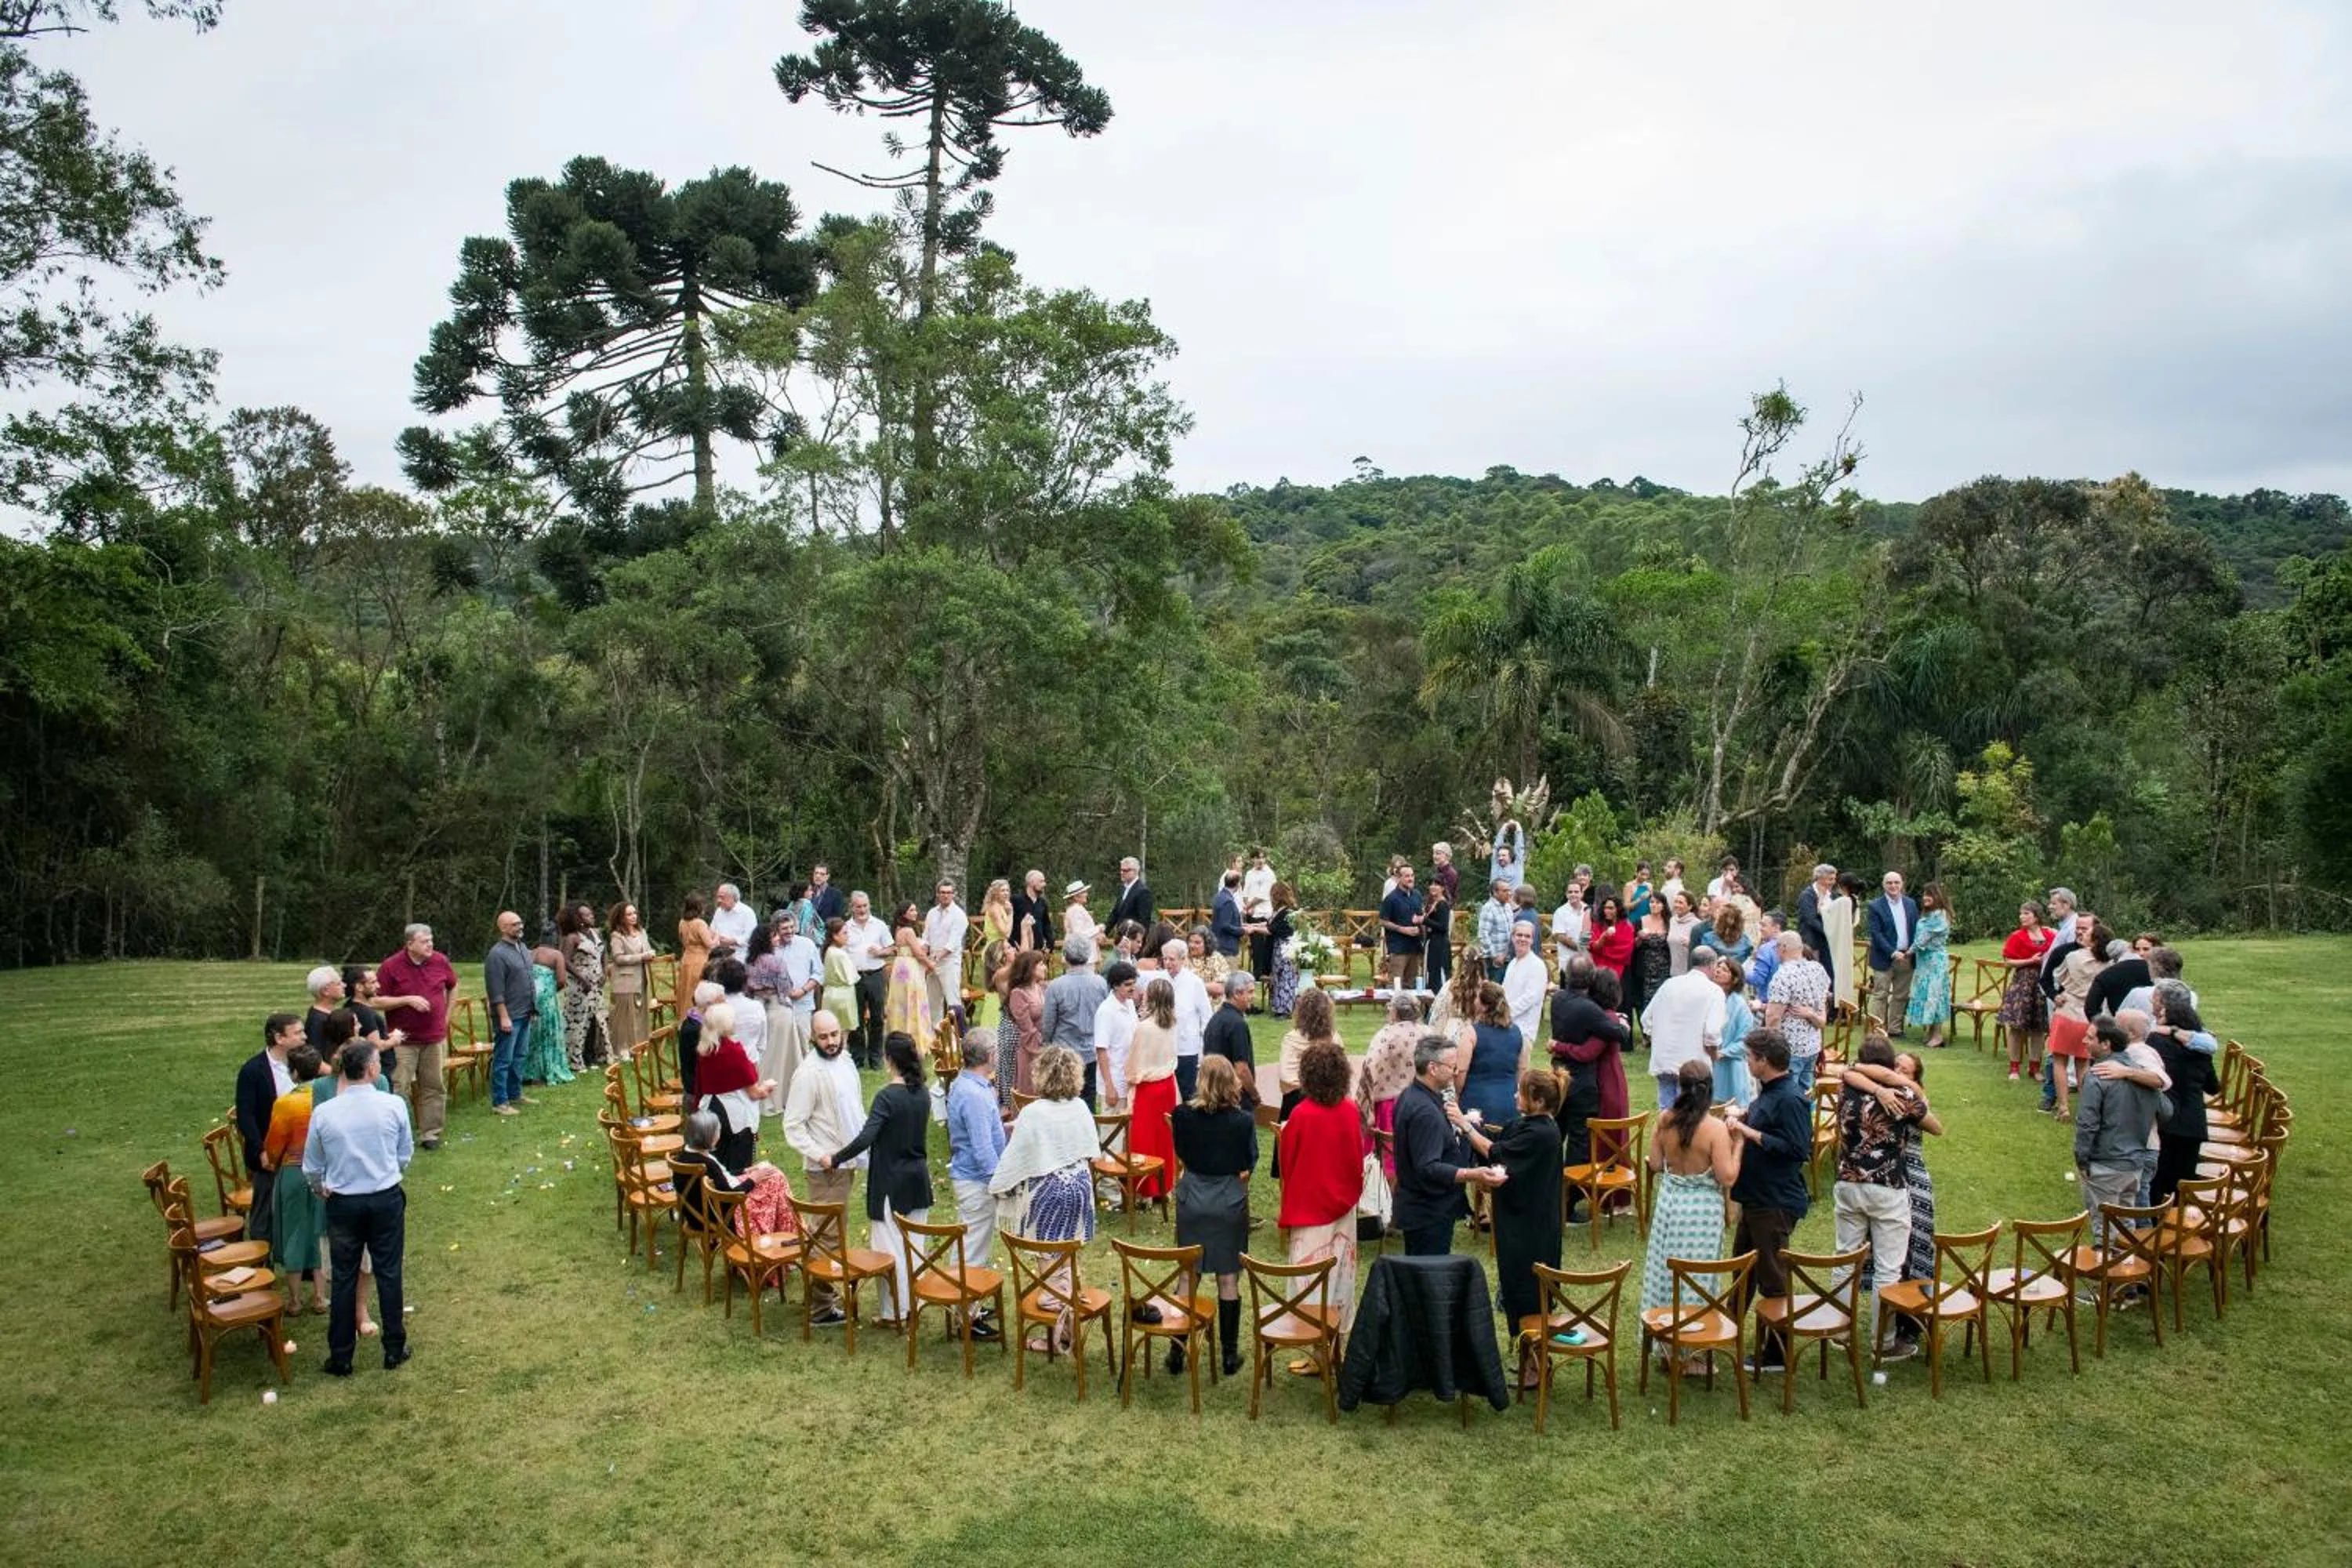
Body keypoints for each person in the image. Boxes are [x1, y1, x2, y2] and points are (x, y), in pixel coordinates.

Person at [302, 1040, 412, 1376]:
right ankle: (394, 1348)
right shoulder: (392, 1105)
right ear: (371, 1068)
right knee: (389, 1272)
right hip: (384, 1197)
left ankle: (341, 1356)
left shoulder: (325, 1112)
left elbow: (312, 1164)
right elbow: (404, 1152)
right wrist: (388, 1171)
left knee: (344, 1276)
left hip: (344, 1202)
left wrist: (320, 1188)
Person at [989, 1045, 1100, 1352]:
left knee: (1048, 1263)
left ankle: (1059, 1331)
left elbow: (1016, 1158)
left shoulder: (1034, 1113)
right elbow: (1091, 1150)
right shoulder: (1080, 1107)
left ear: (1041, 1075)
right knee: (1067, 1256)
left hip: (1048, 1193)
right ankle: (1065, 1330)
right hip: (1079, 1188)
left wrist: (998, 1185)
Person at [818, 1033, 932, 1327]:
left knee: (889, 1249)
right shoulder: (922, 1093)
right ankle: (913, 1304)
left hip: (891, 1181)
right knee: (915, 1245)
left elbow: (866, 1137)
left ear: (890, 1060)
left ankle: (895, 1312)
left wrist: (835, 1158)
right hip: (918, 1178)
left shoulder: (887, 1097)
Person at [1843, 1043, 1945, 1356]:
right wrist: (1881, 1085)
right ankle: (1886, 1332)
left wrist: (1898, 1086)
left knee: (1914, 1248)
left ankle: (1908, 1320)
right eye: (1895, 1066)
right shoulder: (1871, 1086)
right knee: (1886, 1258)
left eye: (1906, 1070)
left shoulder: (1908, 1095)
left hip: (1907, 1177)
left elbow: (1937, 1128)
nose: (1898, 1072)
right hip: (1888, 1182)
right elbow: (1851, 1071)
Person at [1160, 1054, 1256, 1377]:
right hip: (1228, 1200)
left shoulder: (1182, 1116)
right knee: (1228, 1277)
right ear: (1231, 1082)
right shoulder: (1242, 1122)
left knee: (1188, 1275)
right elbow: (1248, 1161)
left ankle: (1177, 1352)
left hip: (1193, 1198)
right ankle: (1229, 1355)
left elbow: (1182, 1152)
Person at [1639, 1060, 1743, 1357]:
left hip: (1671, 1204)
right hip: (1701, 1212)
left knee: (1665, 1272)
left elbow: (1655, 1164)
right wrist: (1738, 1146)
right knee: (1698, 1277)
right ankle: (1693, 1350)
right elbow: (1727, 1177)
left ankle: (1665, 1342)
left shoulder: (1665, 1120)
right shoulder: (1715, 1129)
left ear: (1680, 1087)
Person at [1725, 1029, 1809, 1373]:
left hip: (1774, 1202)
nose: (1746, 1061)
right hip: (1755, 1198)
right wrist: (1746, 1116)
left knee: (1772, 1277)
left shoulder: (1790, 1098)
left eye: (1750, 1056)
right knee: (1742, 1270)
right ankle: (1726, 1333)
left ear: (1764, 1060)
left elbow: (1797, 1148)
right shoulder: (1769, 1092)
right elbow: (1770, 1124)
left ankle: (1777, 1353)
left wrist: (1748, 1132)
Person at [1278, 1040, 1367, 1366]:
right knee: (1340, 1276)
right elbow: (1357, 1156)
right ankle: (1332, 1349)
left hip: (1309, 1208)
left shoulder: (1301, 1115)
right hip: (1342, 1206)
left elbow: (1288, 1161)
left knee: (1310, 1280)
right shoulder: (1350, 1110)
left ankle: (1319, 1352)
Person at [1391, 1033, 1506, 1255]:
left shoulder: (1411, 1095)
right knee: (1429, 1270)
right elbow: (1428, 1167)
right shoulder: (1425, 1111)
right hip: (1428, 1211)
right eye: (1452, 1067)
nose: (1456, 1073)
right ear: (1433, 1068)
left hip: (1420, 1206)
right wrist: (1473, 1174)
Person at [782, 1010, 863, 1327]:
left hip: (847, 1161)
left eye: (834, 1035)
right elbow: (793, 1126)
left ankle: (822, 1298)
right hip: (827, 1169)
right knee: (826, 1235)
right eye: (823, 1037)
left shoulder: (845, 1061)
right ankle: (820, 1309)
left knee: (834, 1231)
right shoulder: (807, 1074)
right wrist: (821, 1156)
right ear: (812, 1038)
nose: (830, 1042)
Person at [1484, 1067, 1566, 1359]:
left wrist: (1465, 1128)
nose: (1515, 1096)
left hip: (1532, 1227)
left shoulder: (1542, 1134)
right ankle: (1527, 1353)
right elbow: (1505, 1136)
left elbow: (1497, 1152)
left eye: (1521, 1092)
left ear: (1539, 1101)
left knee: (1528, 1290)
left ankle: (1535, 1360)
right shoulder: (1530, 1125)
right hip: (1522, 1220)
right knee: (1516, 1282)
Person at [2075, 1018, 2166, 1246]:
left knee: (2104, 1233)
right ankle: (2129, 1268)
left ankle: (2109, 1268)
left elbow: (2087, 1124)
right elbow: (2166, 1111)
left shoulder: (2098, 1075)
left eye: (2090, 1037)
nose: (2084, 1041)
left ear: (2106, 1044)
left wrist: (2082, 1160)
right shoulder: (2141, 1074)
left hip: (2105, 1165)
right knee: (2127, 1227)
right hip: (2135, 1165)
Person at [1548, 954, 1630, 1188]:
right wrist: (1623, 1024)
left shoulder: (1558, 999)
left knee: (1556, 1133)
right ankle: (1571, 1196)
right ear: (1591, 978)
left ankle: (1552, 1186)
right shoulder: (1590, 1010)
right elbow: (1619, 1034)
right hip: (1581, 1083)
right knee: (1579, 1142)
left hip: (1558, 1075)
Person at [260, 1043, 331, 1316]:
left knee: (294, 1231)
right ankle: (320, 1296)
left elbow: (273, 1146)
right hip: (324, 1171)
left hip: (293, 1171)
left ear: (294, 1073)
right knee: (320, 1231)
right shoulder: (328, 1097)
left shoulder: (286, 1104)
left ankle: (294, 1299)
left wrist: (273, 1161)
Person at [373, 923, 456, 1151]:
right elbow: (375, 1000)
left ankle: (430, 1134)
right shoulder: (391, 966)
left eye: (431, 940)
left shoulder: (440, 961)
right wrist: (407, 1000)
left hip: (434, 1037)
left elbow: (453, 986)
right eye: (424, 941)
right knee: (399, 1087)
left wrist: (447, 1016)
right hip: (403, 1040)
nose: (430, 945)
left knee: (434, 1086)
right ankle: (397, 1134)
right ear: (410, 944)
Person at [670, 1109, 801, 1241]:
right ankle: (788, 1233)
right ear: (708, 1136)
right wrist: (753, 1180)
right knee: (776, 1180)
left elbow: (720, 1177)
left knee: (772, 1175)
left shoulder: (686, 1155)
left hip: (699, 1213)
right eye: (717, 1132)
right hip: (722, 1216)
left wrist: (746, 1170)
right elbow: (730, 1196)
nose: (719, 1135)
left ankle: (787, 1231)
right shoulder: (705, 1165)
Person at [2146, 981, 2220, 1204]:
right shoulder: (2201, 1050)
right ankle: (2178, 1222)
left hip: (2165, 1121)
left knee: (2156, 1183)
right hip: (2193, 1123)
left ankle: (2154, 1223)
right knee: (2182, 1185)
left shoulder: (2156, 1041)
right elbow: (2213, 1087)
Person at [946, 1031, 1008, 1290]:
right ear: (990, 1055)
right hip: (977, 1182)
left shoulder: (966, 1084)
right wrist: (1001, 1184)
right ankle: (965, 1306)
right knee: (972, 1251)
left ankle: (966, 1303)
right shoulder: (975, 1095)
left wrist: (1005, 1127)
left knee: (970, 1244)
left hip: (971, 1177)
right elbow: (983, 1150)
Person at [695, 1001, 774, 1174]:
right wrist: (768, 1086)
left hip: (711, 1109)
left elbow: (699, 1085)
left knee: (716, 1165)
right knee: (740, 1169)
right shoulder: (733, 1051)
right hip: (734, 1115)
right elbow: (755, 1092)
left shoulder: (705, 1050)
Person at [2043, 915, 2111, 1117]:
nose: (2081, 934)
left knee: (2059, 1061)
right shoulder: (2107, 962)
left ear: (2094, 939)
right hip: (2088, 1015)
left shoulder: (2073, 957)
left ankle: (2063, 1106)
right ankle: (2086, 1108)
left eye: (2086, 932)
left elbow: (2059, 976)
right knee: (2083, 1064)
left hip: (2068, 1010)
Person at [1642, 955, 1728, 1112]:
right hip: (1693, 1063)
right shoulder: (1714, 991)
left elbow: (1646, 1019)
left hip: (1665, 1059)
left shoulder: (1669, 984)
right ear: (1711, 965)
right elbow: (1712, 1032)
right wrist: (1714, 1054)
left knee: (1667, 1111)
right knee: (1689, 1114)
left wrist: (1661, 1039)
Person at [760, 909, 821, 1116]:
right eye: (784, 928)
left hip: (802, 1004)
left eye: (791, 927)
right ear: (776, 929)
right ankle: (782, 1095)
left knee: (803, 1049)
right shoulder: (770, 949)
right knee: (780, 1053)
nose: (789, 931)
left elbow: (818, 973)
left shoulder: (807, 945)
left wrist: (803, 990)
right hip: (778, 1008)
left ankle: (806, 1095)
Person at [1126, 978, 1181, 1204]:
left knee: (1144, 1137)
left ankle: (1145, 1191)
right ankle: (1164, 1186)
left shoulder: (1144, 1028)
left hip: (1148, 1088)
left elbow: (1135, 1061)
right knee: (1164, 1137)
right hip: (1167, 1085)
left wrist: (1130, 1079)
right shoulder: (1173, 1023)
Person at [1357, 993, 1425, 1177]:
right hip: (1421, 1102)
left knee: (1389, 1160)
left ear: (1394, 1012)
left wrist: (1365, 1106)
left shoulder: (1386, 1035)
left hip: (1390, 1106)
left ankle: (1389, 1191)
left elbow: (1370, 1067)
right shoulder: (1427, 1033)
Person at [1763, 931, 1831, 1095]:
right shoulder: (1818, 970)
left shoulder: (1783, 975)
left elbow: (1773, 1017)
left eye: (1776, 947)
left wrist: (1770, 1047)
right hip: (1813, 1044)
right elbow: (1822, 1010)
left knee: (1787, 1094)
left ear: (1783, 948)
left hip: (1790, 1048)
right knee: (1807, 1092)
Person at [483, 910, 535, 1117]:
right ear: (503, 928)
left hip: (525, 1012)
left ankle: (515, 1093)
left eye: (520, 922)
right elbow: (495, 990)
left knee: (519, 1056)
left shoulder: (522, 948)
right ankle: (500, 1101)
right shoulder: (497, 955)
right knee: (504, 1059)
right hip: (509, 1015)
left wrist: (532, 1008)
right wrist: (503, 1016)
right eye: (514, 924)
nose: (520, 926)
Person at [837, 892, 894, 1069]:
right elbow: (840, 951)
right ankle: (858, 1057)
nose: (862, 910)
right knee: (856, 1019)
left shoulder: (879, 925)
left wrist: (881, 952)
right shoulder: (846, 927)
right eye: (858, 906)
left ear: (869, 906)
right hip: (855, 977)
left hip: (876, 974)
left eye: (865, 906)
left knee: (877, 1017)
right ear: (852, 908)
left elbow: (892, 948)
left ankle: (876, 1058)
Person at [1460, 981, 1525, 1129]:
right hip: (1509, 1101)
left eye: (1477, 998)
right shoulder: (1517, 1032)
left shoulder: (1471, 1033)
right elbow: (1522, 1070)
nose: (1474, 1001)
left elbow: (1461, 1072)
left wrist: (1457, 1095)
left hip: (1476, 1104)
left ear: (1484, 1006)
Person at [556, 902, 611, 1071]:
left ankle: (591, 1056)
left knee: (596, 1020)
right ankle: (574, 1059)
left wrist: (604, 972)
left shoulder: (596, 933)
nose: (592, 916)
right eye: (587, 915)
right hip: (579, 986)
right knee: (578, 1023)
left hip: (596, 985)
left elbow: (604, 953)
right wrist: (582, 978)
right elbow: (564, 960)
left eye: (591, 913)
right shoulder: (572, 938)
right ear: (578, 919)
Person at [1864, 872, 1918, 1036]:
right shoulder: (1875, 906)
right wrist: (1892, 952)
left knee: (1901, 995)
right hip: (1884, 957)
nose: (1893, 886)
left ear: (1902, 884)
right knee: (1880, 994)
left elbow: (1916, 928)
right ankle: (1877, 1030)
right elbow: (1876, 934)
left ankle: (1895, 1029)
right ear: (1884, 885)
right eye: (1889, 883)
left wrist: (1911, 950)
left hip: (1907, 956)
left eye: (1896, 882)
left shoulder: (1910, 904)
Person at [1161, 936, 1213, 1101]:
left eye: (1172, 959)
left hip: (1187, 1050)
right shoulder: (1159, 980)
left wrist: (1203, 1048)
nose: (1168, 963)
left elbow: (1206, 1017)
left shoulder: (1194, 982)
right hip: (1164, 1048)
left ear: (1183, 960)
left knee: (1189, 1094)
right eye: (1165, 959)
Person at [883, 900, 936, 1049]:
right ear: (904, 913)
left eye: (915, 910)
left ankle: (899, 1034)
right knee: (914, 1000)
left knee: (901, 1002)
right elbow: (918, 954)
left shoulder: (898, 929)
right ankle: (917, 1038)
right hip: (910, 968)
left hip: (899, 966)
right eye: (911, 910)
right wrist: (930, 964)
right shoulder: (908, 931)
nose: (915, 913)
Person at [604, 902, 654, 1062]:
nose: (634, 917)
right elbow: (618, 958)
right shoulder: (617, 936)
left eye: (635, 913)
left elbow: (647, 950)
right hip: (625, 980)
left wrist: (650, 954)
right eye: (629, 914)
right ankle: (622, 1049)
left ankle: (639, 1045)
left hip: (642, 978)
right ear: (621, 917)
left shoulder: (641, 932)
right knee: (625, 1016)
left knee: (640, 1014)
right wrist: (642, 957)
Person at [1202, 970, 1257, 1104]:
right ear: (1237, 994)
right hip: (1234, 1096)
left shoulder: (1216, 1018)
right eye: (1250, 992)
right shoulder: (1237, 1024)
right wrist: (1255, 1095)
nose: (1253, 996)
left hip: (1214, 1092)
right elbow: (1241, 1069)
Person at [521, 930, 568, 1087]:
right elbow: (561, 980)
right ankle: (544, 1071)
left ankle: (527, 1071)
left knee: (531, 1035)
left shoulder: (529, 953)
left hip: (529, 997)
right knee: (547, 1034)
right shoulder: (556, 955)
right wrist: (551, 991)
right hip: (547, 998)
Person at [1093, 960, 1139, 1115]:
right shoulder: (1105, 1012)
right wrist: (1109, 1086)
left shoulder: (1130, 1004)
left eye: (1133, 983)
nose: (1132, 988)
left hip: (1129, 1082)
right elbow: (1101, 1051)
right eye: (1127, 985)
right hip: (1114, 1084)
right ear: (1115, 986)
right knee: (1113, 1129)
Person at [924, 880, 971, 1026]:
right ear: (937, 894)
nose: (946, 895)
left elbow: (953, 943)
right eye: (943, 892)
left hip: (949, 962)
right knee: (932, 1002)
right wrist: (924, 957)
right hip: (932, 962)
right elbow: (926, 938)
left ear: (954, 894)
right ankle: (935, 1035)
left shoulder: (959, 915)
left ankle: (961, 1035)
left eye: (949, 893)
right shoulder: (932, 913)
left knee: (953, 1001)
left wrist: (937, 957)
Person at [1003, 948, 1048, 1098]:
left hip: (1045, 1046)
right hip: (1031, 1050)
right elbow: (1027, 1030)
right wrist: (1043, 1050)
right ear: (1030, 968)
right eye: (1041, 964)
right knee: (1031, 1092)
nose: (1045, 967)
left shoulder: (1041, 987)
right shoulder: (1018, 994)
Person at [1501, 920, 1548, 1047]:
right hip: (1506, 1027)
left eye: (1527, 936)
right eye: (1519, 935)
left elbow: (1530, 998)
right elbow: (1504, 992)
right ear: (1512, 937)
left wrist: (1505, 1013)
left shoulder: (1537, 965)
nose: (1523, 939)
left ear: (1532, 940)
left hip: (1523, 1032)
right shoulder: (1512, 963)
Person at [1378, 862, 1425, 990]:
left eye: (1412, 875)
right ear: (1399, 878)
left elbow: (1421, 916)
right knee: (1396, 985)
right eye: (1407, 876)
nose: (1411, 879)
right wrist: (1402, 929)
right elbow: (1382, 921)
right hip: (1398, 948)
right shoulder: (1391, 899)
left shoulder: (1417, 895)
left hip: (1415, 946)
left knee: (1411, 986)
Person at [1625, 898, 1673, 1021]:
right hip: (1644, 970)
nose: (1654, 905)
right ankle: (1645, 1030)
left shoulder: (1669, 922)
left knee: (1662, 1002)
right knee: (1644, 1003)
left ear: (1663, 905)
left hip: (1664, 970)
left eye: (1657, 903)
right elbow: (1633, 946)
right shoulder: (1639, 921)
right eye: (1652, 902)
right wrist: (1639, 938)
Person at [1823, 873, 1862, 1009]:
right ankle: (1845, 1003)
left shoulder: (1843, 901)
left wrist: (1823, 904)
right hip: (1846, 940)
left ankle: (1838, 1004)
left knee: (1838, 971)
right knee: (1844, 972)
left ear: (1842, 886)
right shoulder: (1855, 901)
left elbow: (1826, 912)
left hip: (1839, 941)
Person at [818, 916, 859, 1045]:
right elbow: (851, 977)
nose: (847, 936)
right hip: (842, 996)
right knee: (842, 1035)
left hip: (830, 994)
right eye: (844, 933)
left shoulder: (828, 951)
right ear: (835, 936)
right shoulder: (839, 954)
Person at [674, 892, 715, 1016]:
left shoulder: (682, 922)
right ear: (698, 907)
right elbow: (710, 945)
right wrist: (717, 937)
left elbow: (683, 941)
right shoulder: (699, 923)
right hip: (699, 961)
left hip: (686, 959)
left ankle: (684, 1017)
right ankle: (697, 1018)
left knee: (685, 990)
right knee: (696, 991)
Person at [1266, 882, 1302, 1018]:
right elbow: (1269, 924)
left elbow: (1272, 929)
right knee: (1278, 976)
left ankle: (1286, 1009)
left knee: (1286, 977)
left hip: (1286, 948)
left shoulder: (1287, 913)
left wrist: (1253, 929)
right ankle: (1278, 1007)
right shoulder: (1280, 911)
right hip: (1278, 948)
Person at [1795, 863, 1837, 970]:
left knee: (1829, 972)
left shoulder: (1832, 895)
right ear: (1820, 878)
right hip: (1812, 942)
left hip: (1827, 943)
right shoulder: (1807, 895)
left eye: (1834, 879)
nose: (1833, 882)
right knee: (1814, 971)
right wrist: (1829, 932)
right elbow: (1810, 919)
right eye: (1830, 879)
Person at [1552, 871, 1593, 972]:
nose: (1573, 894)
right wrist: (1580, 947)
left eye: (1576, 892)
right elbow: (1559, 936)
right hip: (1567, 961)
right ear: (1566, 894)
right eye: (1570, 892)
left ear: (1582, 894)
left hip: (1585, 961)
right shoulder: (1560, 912)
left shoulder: (1588, 910)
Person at [1421, 871, 1455, 997]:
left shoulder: (1443, 904)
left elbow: (1442, 927)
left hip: (1440, 945)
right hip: (1433, 943)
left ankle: (1439, 1000)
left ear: (1442, 888)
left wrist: (1424, 920)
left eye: (1437, 884)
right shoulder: (1433, 903)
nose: (1433, 887)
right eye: (1431, 884)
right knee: (1431, 974)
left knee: (1438, 975)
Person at [1477, 881, 1516, 984]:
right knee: (1493, 988)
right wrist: (1495, 956)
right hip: (1493, 960)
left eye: (1509, 890)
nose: (1509, 893)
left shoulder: (1508, 907)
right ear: (1495, 893)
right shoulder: (1488, 908)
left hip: (1508, 957)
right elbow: (1483, 934)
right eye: (1505, 891)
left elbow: (1512, 931)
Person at [1588, 894, 1633, 980]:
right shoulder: (1598, 925)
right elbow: (1592, 946)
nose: (1607, 911)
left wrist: (1601, 951)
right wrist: (1603, 937)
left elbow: (1625, 952)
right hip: (1599, 969)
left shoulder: (1627, 927)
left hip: (1619, 971)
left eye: (1611, 908)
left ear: (1618, 909)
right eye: (1605, 908)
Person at [1012, 869, 1055, 954]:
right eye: (1041, 881)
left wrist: (1050, 945)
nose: (1044, 884)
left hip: (1039, 951)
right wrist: (1012, 945)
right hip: (1021, 950)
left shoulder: (1042, 903)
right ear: (1031, 882)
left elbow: (1047, 925)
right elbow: (1009, 924)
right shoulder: (1016, 900)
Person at [709, 882, 757, 956]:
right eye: (718, 897)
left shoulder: (747, 912)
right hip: (719, 954)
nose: (719, 900)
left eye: (722, 897)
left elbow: (752, 936)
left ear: (732, 897)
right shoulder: (719, 911)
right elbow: (712, 930)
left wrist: (733, 941)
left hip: (739, 955)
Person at [1108, 855, 1153, 933]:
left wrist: (1140, 939)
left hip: (1133, 937)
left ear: (1135, 871)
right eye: (1121, 870)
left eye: (1125, 870)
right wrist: (1104, 932)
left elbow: (1144, 921)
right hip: (1121, 935)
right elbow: (1115, 914)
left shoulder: (1143, 892)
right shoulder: (1123, 888)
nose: (1122, 873)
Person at [1209, 869, 1245, 963]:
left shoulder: (1220, 896)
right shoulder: (1228, 901)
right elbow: (1225, 925)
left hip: (1220, 946)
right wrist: (1243, 930)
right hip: (1226, 949)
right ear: (1238, 884)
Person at [1665, 889, 1701, 976]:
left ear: (1690, 906)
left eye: (1681, 903)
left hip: (1689, 973)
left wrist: (1691, 945)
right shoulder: (1672, 921)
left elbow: (1702, 950)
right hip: (1673, 971)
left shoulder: (1697, 924)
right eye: (1676, 902)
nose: (1677, 905)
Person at [1488, 821, 1526, 892]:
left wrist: (1517, 825)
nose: (1500, 858)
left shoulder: (1517, 866)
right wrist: (1504, 827)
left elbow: (1519, 847)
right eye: (1499, 856)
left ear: (1510, 857)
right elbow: (1496, 847)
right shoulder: (1496, 866)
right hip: (1495, 899)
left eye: (1503, 855)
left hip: (1513, 899)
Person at [808, 862, 848, 929]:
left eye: (822, 874)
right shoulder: (808, 892)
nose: (818, 876)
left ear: (827, 877)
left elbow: (837, 919)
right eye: (816, 873)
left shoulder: (836, 894)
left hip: (826, 931)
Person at [979, 877, 1016, 948]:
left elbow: (1008, 933)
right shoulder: (994, 908)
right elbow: (1005, 933)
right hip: (995, 946)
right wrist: (1010, 914)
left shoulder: (1002, 906)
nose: (1006, 893)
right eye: (1002, 891)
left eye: (1007, 890)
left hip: (1002, 944)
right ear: (996, 893)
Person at [1062, 880, 1097, 953]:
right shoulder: (1075, 910)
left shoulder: (1077, 908)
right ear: (1076, 897)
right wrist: (1098, 929)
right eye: (1084, 892)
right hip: (1080, 952)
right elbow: (1079, 934)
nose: (1086, 894)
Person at [1621, 860, 1654, 925]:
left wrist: (1651, 896)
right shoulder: (1630, 886)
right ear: (1636, 872)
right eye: (1642, 874)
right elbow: (1626, 906)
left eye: (1647, 875)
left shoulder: (1649, 886)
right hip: (1634, 921)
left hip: (1647, 921)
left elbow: (1652, 903)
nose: (1644, 877)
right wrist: (1640, 899)